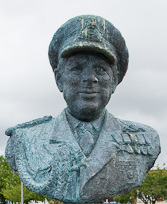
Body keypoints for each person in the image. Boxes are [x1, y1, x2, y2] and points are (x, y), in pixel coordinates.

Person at [5, 15, 160, 203]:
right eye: (77, 68)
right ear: (59, 79)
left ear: (114, 81)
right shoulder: (25, 140)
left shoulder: (145, 139)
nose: (89, 78)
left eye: (101, 69)